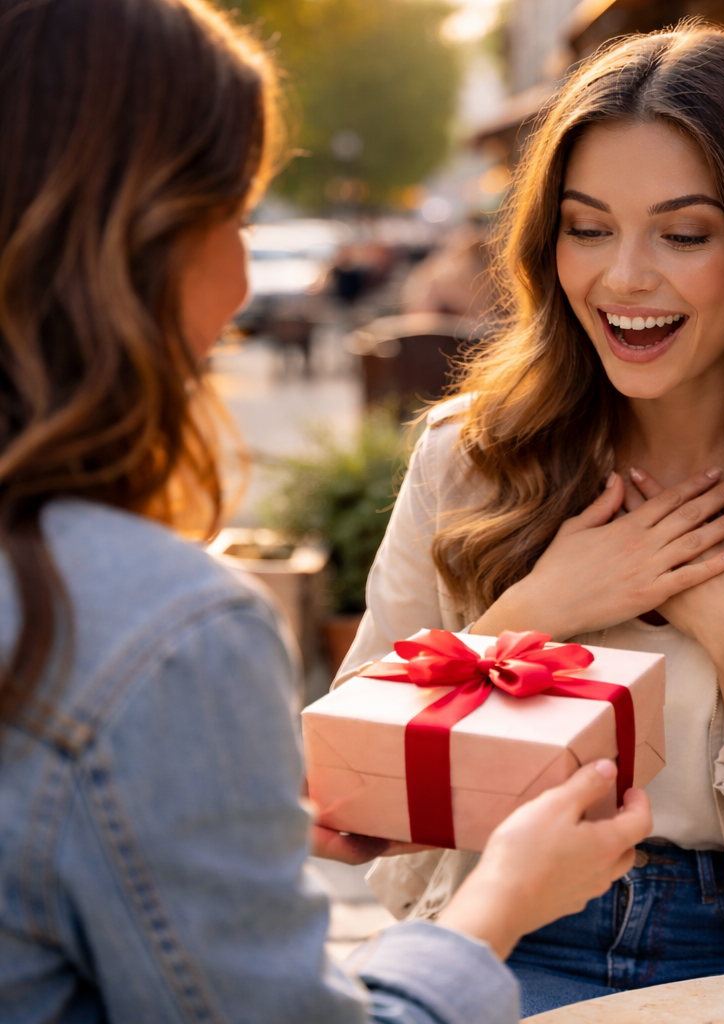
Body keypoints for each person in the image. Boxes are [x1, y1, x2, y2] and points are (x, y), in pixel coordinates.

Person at [0, 1, 652, 1021]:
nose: (245, 279)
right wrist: (500, 901)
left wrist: (202, 804)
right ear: (137, 243)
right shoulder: (165, 634)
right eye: (236, 216)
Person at [337, 22, 724, 1018]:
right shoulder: (469, 457)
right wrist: (535, 613)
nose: (625, 277)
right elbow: (355, 793)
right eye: (587, 228)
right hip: (510, 931)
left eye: (684, 235)